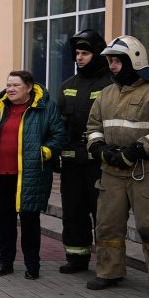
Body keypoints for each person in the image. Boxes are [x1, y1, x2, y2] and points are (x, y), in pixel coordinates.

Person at [86, 36, 149, 298]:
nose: (113, 66)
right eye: (110, 61)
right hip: (111, 172)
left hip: (145, 172)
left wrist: (134, 151)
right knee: (107, 225)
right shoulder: (107, 94)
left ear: (134, 61)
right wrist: (99, 149)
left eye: (117, 61)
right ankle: (109, 272)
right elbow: (93, 127)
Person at [0, 70, 66, 280]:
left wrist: (45, 152)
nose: (10, 89)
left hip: (30, 175)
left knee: (29, 222)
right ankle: (5, 262)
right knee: (4, 222)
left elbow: (59, 135)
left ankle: (32, 265)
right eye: (8, 85)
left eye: (16, 85)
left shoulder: (44, 108)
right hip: (1, 175)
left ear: (28, 87)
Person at [56, 30, 113, 274]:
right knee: (73, 212)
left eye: (85, 53)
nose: (79, 58)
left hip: (99, 164)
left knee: (103, 215)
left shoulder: (111, 85)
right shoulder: (68, 86)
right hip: (71, 164)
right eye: (77, 53)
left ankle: (108, 264)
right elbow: (58, 123)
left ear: (98, 55)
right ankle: (76, 259)